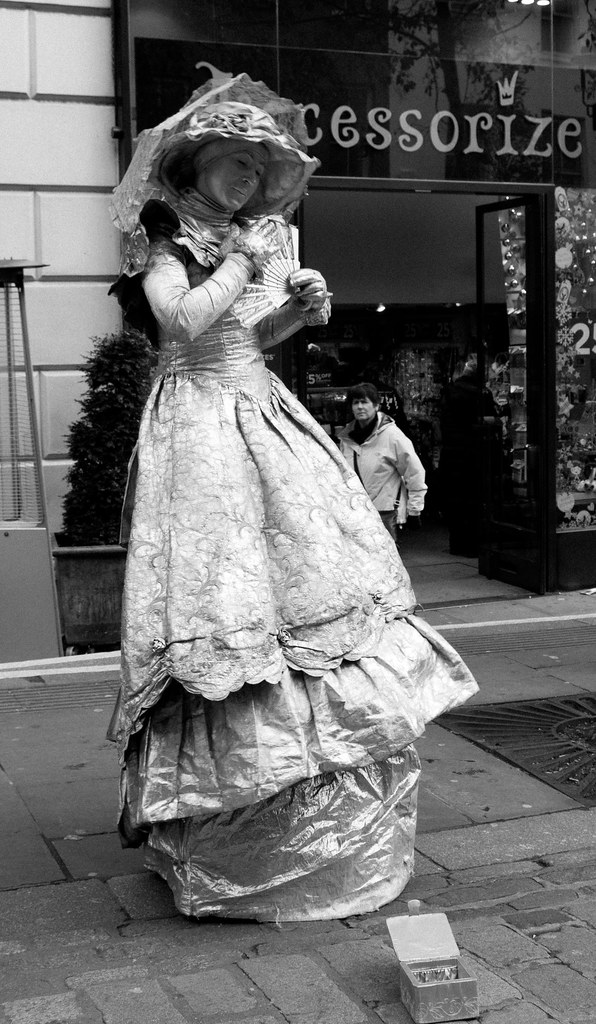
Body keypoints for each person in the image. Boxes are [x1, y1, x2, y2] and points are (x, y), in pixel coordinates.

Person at [107, 71, 477, 922]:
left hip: (261, 409)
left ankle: (320, 789)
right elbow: (182, 324)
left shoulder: (245, 239)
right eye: (235, 162)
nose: (247, 179)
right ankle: (230, 812)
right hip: (200, 424)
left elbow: (248, 335)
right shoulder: (165, 243)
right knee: (227, 587)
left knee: (309, 572)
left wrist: (298, 314)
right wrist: (243, 262)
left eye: (256, 168)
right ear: (194, 164)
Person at [338, 383, 427, 543]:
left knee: (387, 556)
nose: (360, 407)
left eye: (364, 402)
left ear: (376, 405)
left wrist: (415, 509)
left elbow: (414, 471)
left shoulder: (392, 435)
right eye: (355, 403)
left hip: (385, 510)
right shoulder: (346, 438)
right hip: (356, 511)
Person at [438, 350, 499, 557]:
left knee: (456, 500)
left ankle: (457, 543)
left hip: (452, 453)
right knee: (474, 500)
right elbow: (486, 422)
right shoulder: (481, 394)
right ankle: (473, 545)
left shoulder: (450, 390)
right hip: (473, 454)